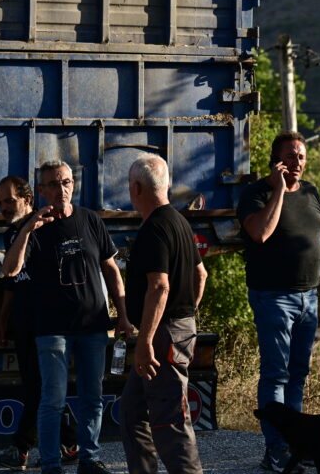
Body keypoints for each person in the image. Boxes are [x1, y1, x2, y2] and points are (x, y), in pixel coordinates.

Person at [2, 161, 133, 474]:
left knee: (92, 398)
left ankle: (89, 459)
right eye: (53, 184)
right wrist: (29, 227)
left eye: (66, 182)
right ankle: (51, 465)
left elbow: (111, 270)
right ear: (42, 191)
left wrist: (124, 315)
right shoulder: (32, 226)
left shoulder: (90, 220)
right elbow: (10, 269)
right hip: (52, 330)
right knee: (53, 401)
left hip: (93, 326)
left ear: (73, 184)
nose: (61, 189)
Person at [237, 132, 320, 473]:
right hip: (274, 298)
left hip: (309, 298)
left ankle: (297, 446)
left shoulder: (312, 192)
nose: (298, 162)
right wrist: (279, 191)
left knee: (298, 374)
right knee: (275, 374)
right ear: (276, 160)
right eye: (291, 156)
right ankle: (275, 451)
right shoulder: (255, 195)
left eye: (301, 156)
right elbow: (261, 233)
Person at [119, 154, 207, 474]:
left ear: (137, 188)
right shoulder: (181, 222)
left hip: (163, 336)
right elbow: (202, 275)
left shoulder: (155, 229)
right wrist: (188, 316)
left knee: (170, 422)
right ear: (166, 184)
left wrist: (146, 340)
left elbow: (159, 288)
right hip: (174, 329)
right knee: (131, 413)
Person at [0, 176, 77, 470]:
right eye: (0, 202)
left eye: (9, 200)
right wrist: (3, 321)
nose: (4, 207)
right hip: (24, 323)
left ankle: (22, 447)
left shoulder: (45, 227)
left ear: (28, 199)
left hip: (47, 323)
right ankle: (70, 442)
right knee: (37, 387)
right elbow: (11, 282)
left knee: (39, 387)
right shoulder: (11, 234)